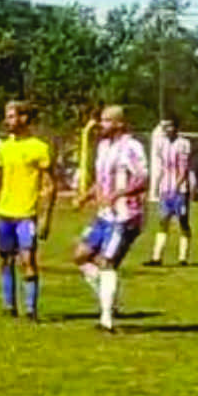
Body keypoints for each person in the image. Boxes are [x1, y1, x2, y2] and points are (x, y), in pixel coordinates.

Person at [0, 101, 56, 321]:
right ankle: (9, 305)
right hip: (4, 213)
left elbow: (50, 185)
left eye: (11, 116)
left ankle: (30, 309)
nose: (7, 121)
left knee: (28, 260)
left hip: (26, 215)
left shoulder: (39, 148)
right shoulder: (4, 147)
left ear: (24, 118)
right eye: (6, 116)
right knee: (5, 260)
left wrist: (46, 218)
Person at [72, 106, 150, 333]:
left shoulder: (132, 147)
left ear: (119, 123)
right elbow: (102, 179)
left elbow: (143, 179)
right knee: (81, 256)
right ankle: (109, 296)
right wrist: (86, 197)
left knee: (107, 263)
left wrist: (118, 194)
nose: (101, 125)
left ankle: (106, 319)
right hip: (104, 215)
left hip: (125, 216)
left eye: (106, 121)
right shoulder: (104, 146)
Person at [147, 115, 194, 266]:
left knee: (183, 221)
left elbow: (184, 168)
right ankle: (157, 257)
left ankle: (183, 257)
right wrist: (158, 185)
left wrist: (177, 187)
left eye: (170, 126)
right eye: (165, 127)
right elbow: (162, 167)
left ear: (176, 128)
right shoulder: (161, 144)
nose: (167, 130)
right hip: (165, 188)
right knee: (163, 221)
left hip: (180, 189)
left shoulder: (183, 144)